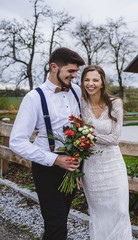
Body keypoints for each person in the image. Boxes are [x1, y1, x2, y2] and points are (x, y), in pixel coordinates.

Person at [9, 47, 85, 240]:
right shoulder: (34, 98)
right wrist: (54, 159)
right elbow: (16, 142)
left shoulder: (76, 91)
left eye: (76, 71)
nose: (75, 76)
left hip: (72, 168)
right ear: (53, 67)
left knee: (58, 222)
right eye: (70, 71)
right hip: (47, 169)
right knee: (57, 227)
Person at [80, 65, 132, 239]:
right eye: (87, 79)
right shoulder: (81, 104)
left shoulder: (115, 103)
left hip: (112, 164)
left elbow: (115, 138)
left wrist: (88, 135)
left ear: (102, 82)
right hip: (91, 167)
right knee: (98, 213)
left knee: (121, 210)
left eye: (95, 79)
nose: (91, 83)